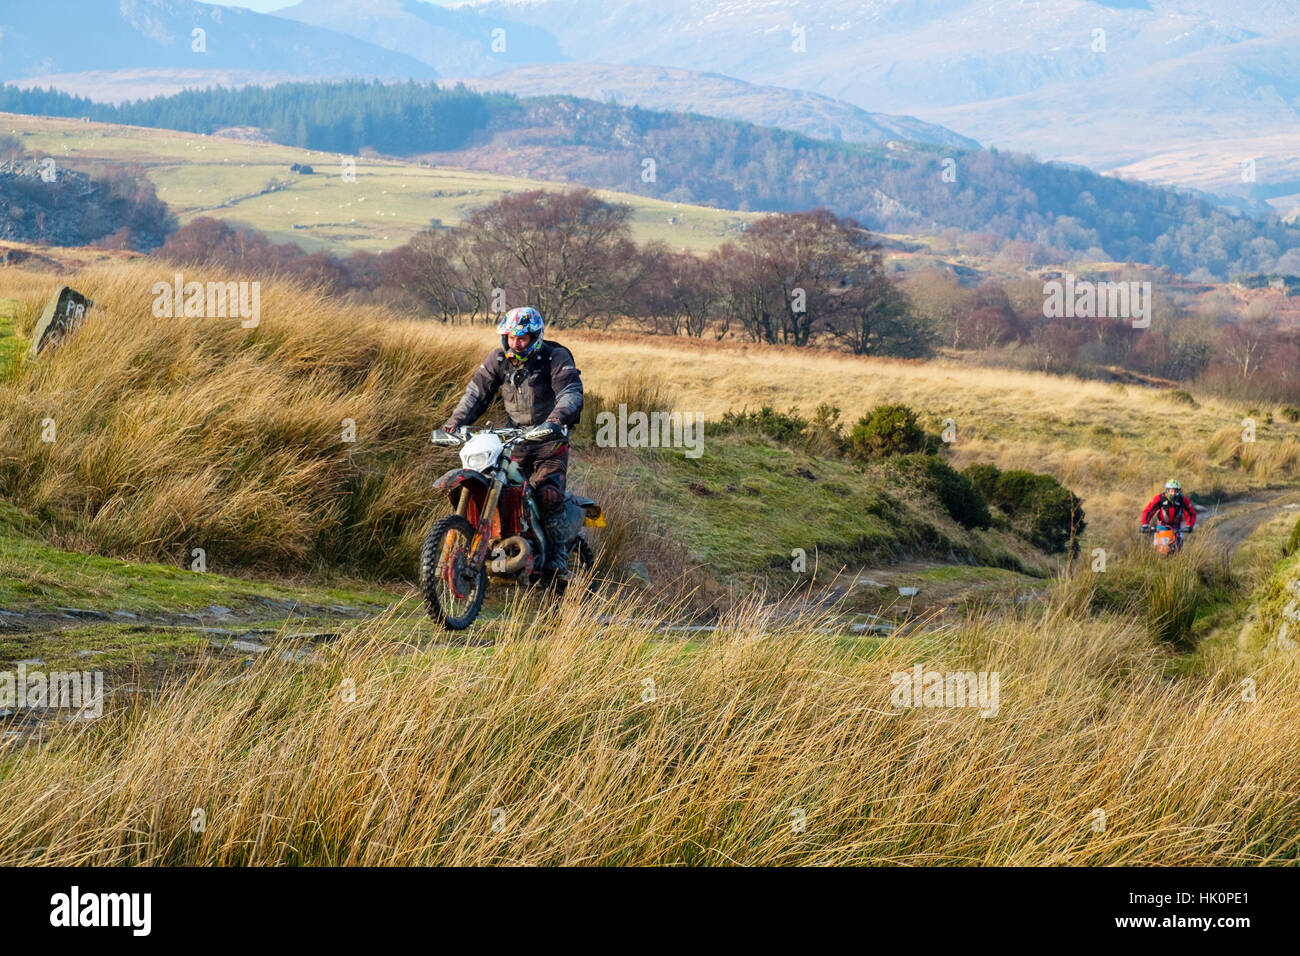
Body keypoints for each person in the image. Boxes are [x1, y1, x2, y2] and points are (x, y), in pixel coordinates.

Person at [439, 307, 583, 582]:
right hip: (513, 442)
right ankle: (492, 547)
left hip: (549, 442)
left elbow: (570, 392)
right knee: (496, 486)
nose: (515, 343)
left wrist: (555, 418)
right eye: (511, 337)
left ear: (536, 337)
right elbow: (476, 394)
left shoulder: (555, 356)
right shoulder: (498, 359)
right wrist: (455, 422)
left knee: (547, 494)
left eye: (523, 338)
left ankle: (558, 560)